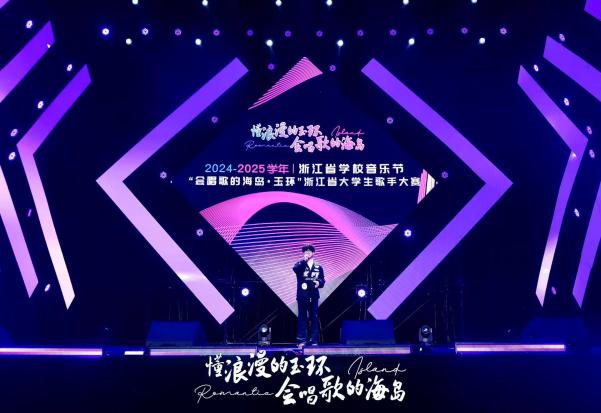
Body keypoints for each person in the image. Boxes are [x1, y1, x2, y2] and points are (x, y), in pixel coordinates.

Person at [293, 244, 325, 346]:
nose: (307, 253)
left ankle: (314, 340)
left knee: (314, 318)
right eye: (305, 252)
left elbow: (322, 279)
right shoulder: (300, 264)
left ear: (313, 253)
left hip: (314, 295)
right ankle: (301, 340)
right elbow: (295, 269)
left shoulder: (318, 267)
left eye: (309, 252)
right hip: (302, 296)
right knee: (302, 318)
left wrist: (319, 282)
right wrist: (304, 261)